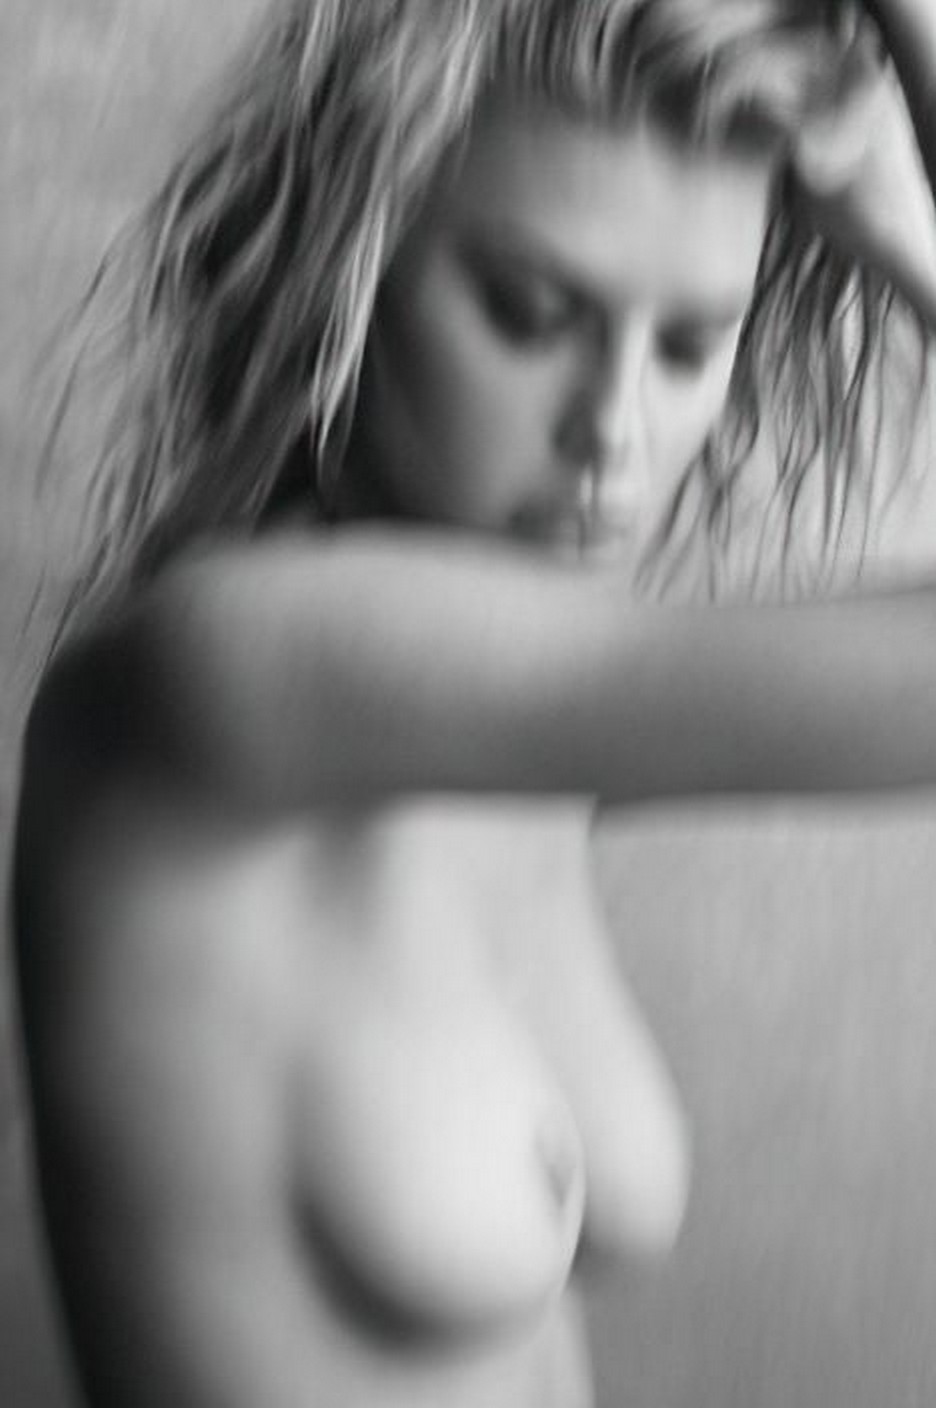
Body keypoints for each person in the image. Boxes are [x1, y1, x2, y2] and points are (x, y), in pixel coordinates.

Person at [12, 0, 936, 1404]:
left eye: (690, 346)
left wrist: (896, 213)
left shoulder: (525, 717)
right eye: (530, 313)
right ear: (355, 263)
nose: (613, 434)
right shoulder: (227, 670)